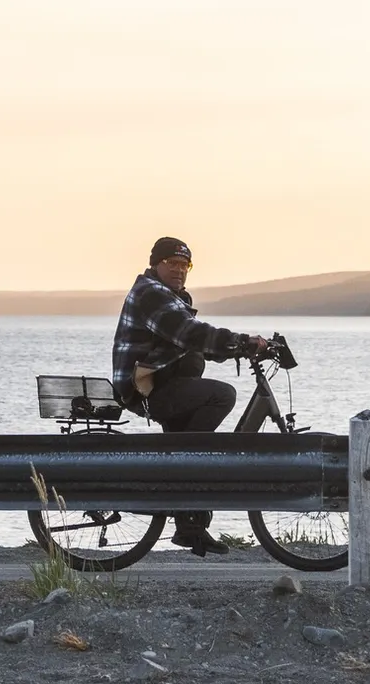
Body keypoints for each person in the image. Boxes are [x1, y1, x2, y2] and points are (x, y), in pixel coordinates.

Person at [111, 236, 268, 556]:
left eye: (185, 265)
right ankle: (189, 462)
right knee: (221, 395)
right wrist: (241, 342)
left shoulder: (173, 296)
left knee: (189, 439)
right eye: (172, 264)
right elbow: (191, 333)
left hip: (166, 384)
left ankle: (191, 526)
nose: (179, 270)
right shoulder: (151, 294)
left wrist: (235, 348)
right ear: (155, 264)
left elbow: (194, 343)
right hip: (146, 390)